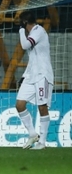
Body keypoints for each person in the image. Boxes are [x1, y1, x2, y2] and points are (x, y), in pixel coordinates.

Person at [16, 11, 54, 150]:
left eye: (22, 23)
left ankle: (42, 142)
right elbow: (33, 58)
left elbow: (25, 45)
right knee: (20, 104)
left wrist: (20, 31)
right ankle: (33, 134)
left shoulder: (39, 30)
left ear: (24, 23)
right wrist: (25, 75)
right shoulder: (33, 33)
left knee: (42, 107)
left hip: (42, 75)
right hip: (31, 75)